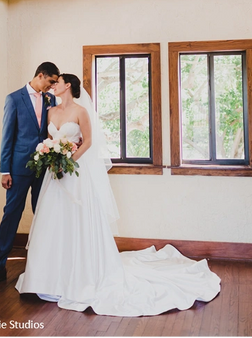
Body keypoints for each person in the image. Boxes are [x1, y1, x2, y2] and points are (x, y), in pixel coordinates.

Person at [15, 74, 221, 316]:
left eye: (56, 82)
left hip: (74, 172)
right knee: (53, 221)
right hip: (54, 175)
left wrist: (68, 161)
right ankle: (49, 277)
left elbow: (88, 142)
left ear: (67, 85)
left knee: (79, 220)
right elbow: (50, 140)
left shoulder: (81, 111)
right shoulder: (50, 112)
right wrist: (51, 157)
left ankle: (82, 274)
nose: (52, 86)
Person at [0, 62, 60, 289]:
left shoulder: (50, 100)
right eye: (51, 81)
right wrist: (5, 170)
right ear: (41, 75)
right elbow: (7, 136)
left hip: (43, 168)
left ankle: (43, 267)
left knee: (43, 215)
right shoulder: (13, 99)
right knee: (11, 215)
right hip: (17, 169)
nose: (53, 87)